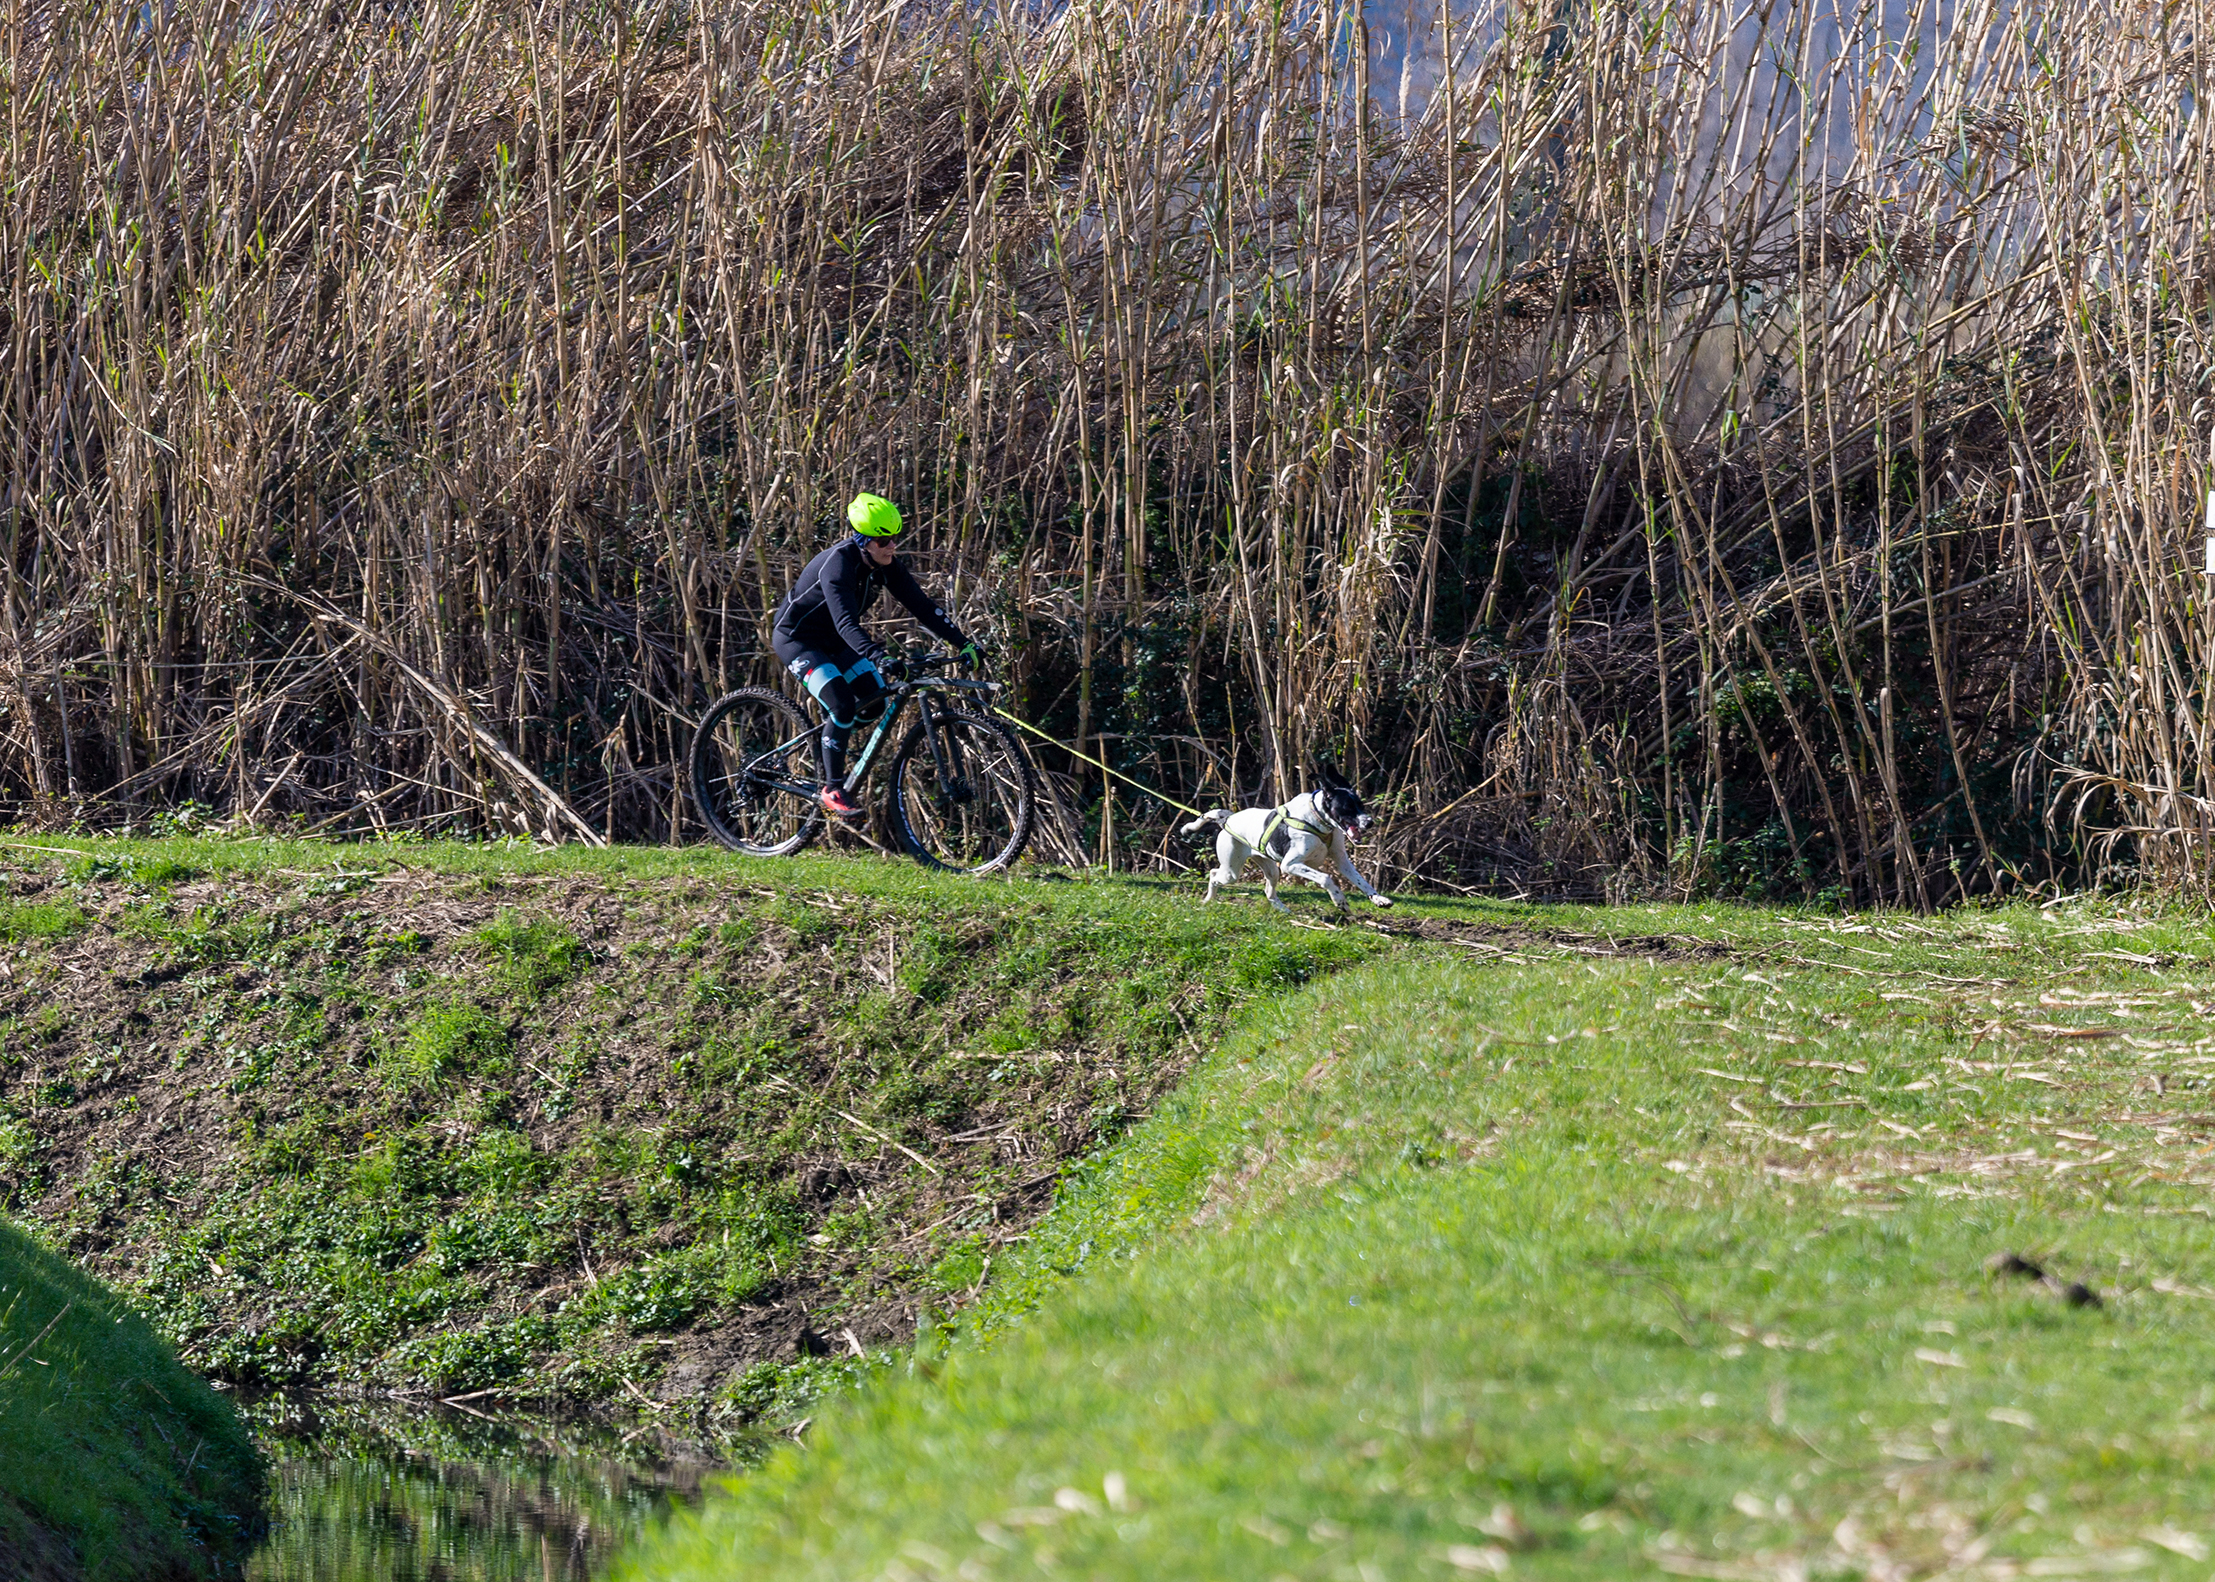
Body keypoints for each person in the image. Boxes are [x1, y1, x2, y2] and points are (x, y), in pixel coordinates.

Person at [772, 492, 981, 819]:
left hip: (838, 642)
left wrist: (963, 642)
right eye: (883, 540)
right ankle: (832, 786)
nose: (892, 546)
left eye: (895, 538)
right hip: (799, 639)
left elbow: (923, 607)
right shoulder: (838, 565)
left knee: (874, 702)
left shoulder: (887, 565)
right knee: (842, 704)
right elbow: (845, 623)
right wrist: (879, 656)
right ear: (861, 540)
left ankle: (833, 739)